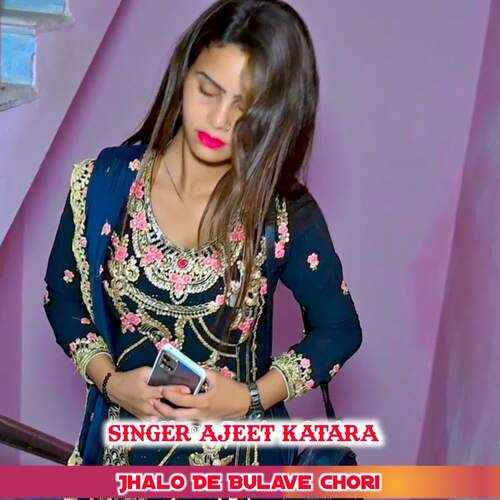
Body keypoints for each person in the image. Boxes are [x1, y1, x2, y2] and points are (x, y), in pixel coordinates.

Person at [43, 0, 363, 475]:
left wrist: (248, 397)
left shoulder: (281, 213)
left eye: (246, 109)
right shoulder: (104, 185)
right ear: (183, 73)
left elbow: (339, 329)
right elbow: (62, 297)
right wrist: (111, 382)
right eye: (208, 90)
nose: (219, 120)